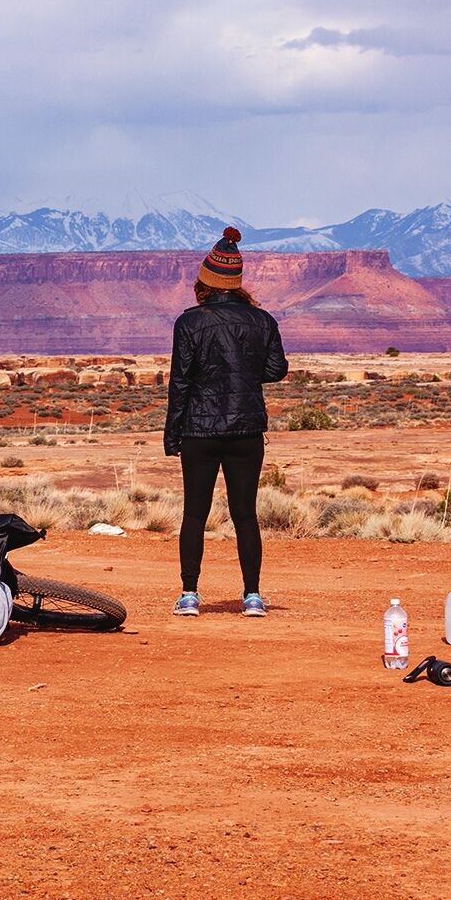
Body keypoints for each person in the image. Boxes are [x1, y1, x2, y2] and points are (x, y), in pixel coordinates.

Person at [164, 227, 288, 618]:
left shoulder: (189, 324)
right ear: (236, 282)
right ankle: (252, 596)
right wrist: (243, 377)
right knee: (246, 515)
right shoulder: (262, 321)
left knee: (194, 514)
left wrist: (173, 435)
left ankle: (189, 595)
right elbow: (276, 369)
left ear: (206, 281)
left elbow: (180, 381)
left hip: (199, 431)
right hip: (247, 430)